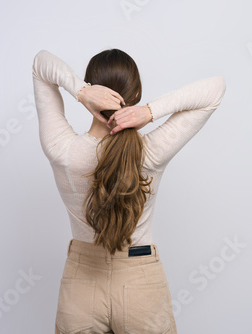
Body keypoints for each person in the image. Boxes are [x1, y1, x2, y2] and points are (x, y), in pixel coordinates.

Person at [32, 48, 226, 334]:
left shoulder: (63, 150)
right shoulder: (150, 152)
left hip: (81, 283)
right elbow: (215, 89)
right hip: (141, 283)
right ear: (135, 94)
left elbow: (40, 65)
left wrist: (81, 91)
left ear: (92, 90)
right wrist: (149, 112)